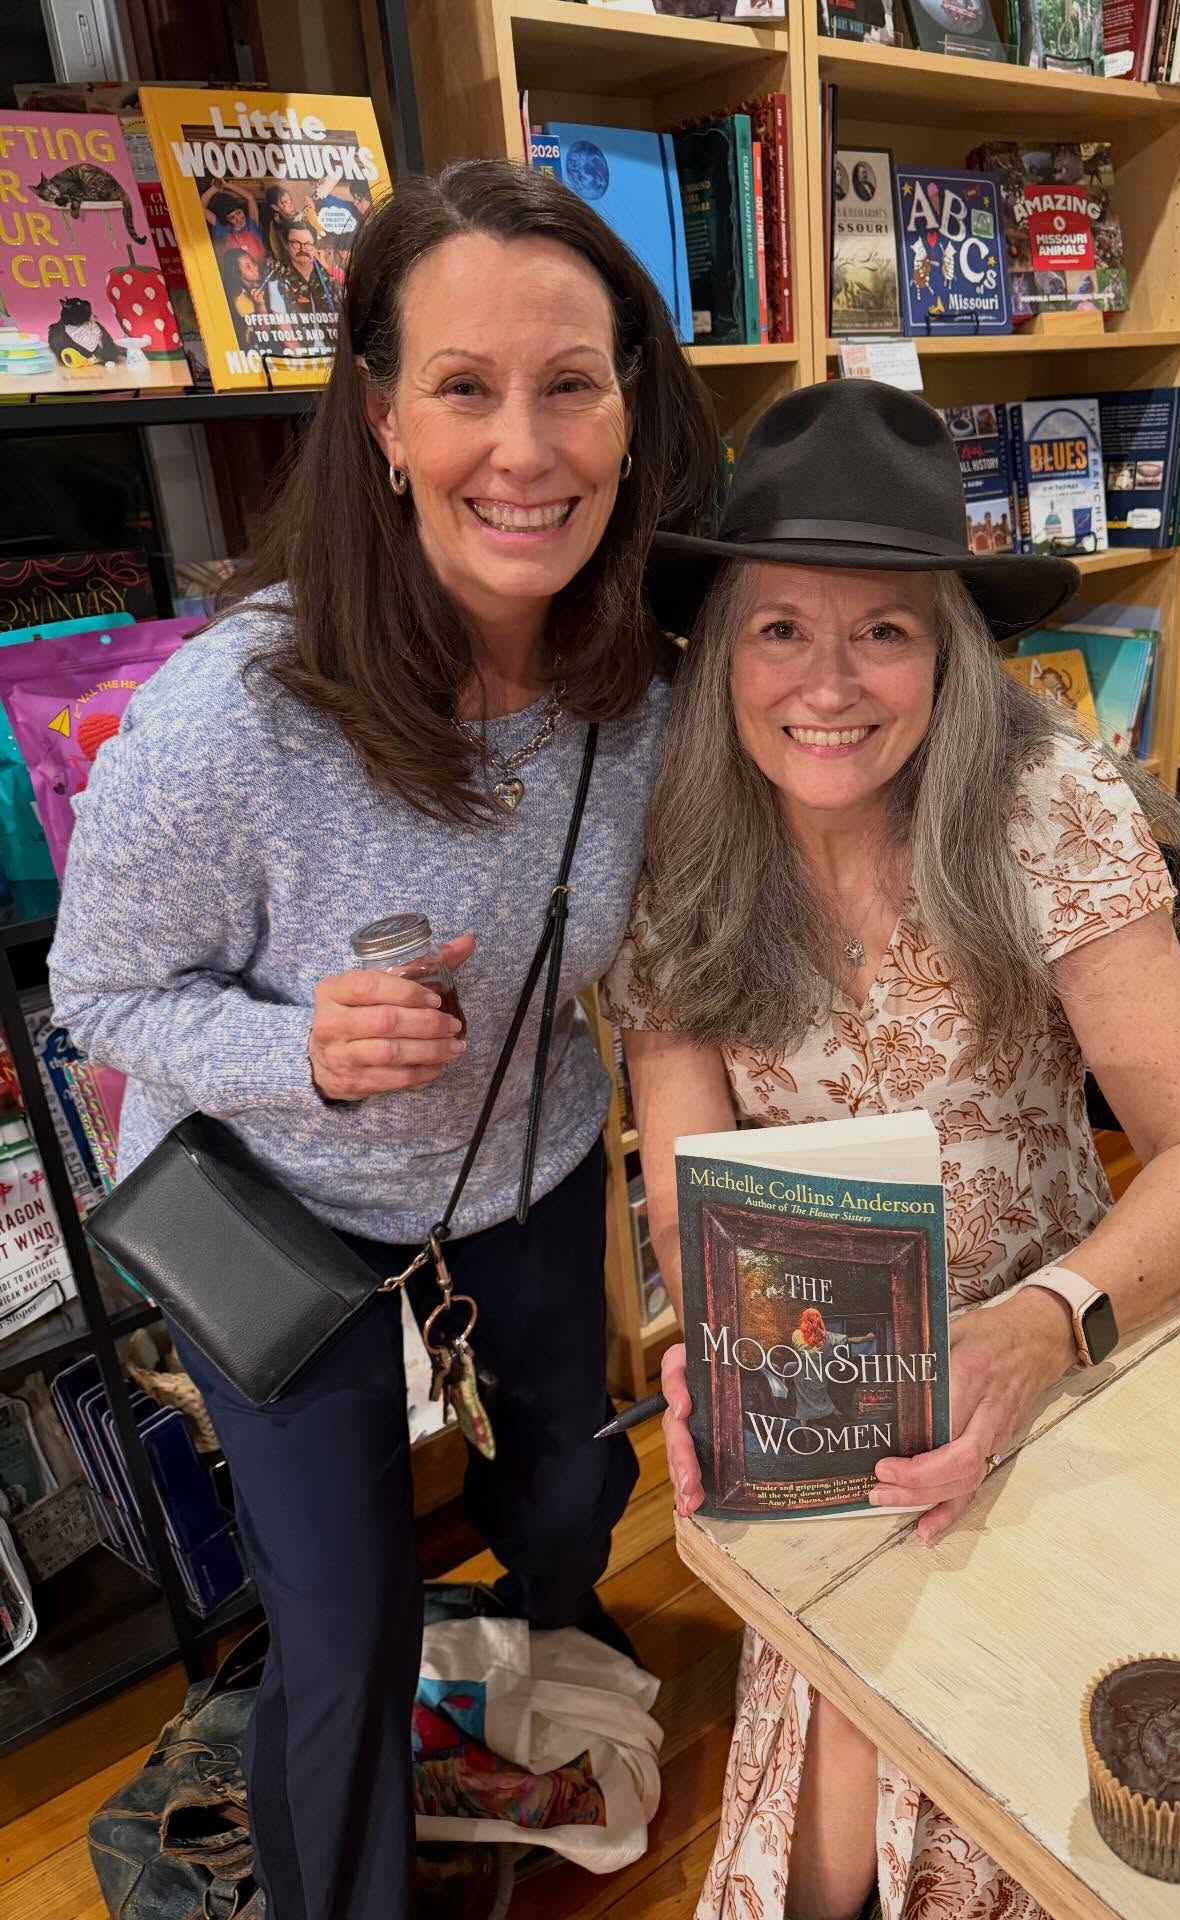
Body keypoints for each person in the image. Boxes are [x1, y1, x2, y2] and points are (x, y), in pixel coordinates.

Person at [49, 157, 715, 1920]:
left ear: (631, 408)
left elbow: (659, 943)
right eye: (466, 388)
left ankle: (539, 1673)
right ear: (380, 418)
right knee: (337, 1626)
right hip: (274, 1209)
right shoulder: (229, 720)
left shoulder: (645, 683)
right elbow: (96, 997)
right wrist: (302, 1051)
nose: (527, 447)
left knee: (567, 1504)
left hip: (523, 1163)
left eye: (571, 383)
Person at [603, 380, 1180, 1920]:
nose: (828, 682)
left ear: (948, 651)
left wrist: (1037, 1335)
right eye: (780, 628)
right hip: (822, 1393)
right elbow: (697, 1207)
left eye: (883, 631)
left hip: (1076, 1352)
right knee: (840, 1745)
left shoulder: (1045, 809)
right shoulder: (677, 855)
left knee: (1026, 1791)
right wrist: (718, 1365)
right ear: (719, 656)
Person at [261, 217, 342, 355]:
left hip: (337, 355)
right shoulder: (277, 279)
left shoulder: (328, 274)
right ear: (286, 245)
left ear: (315, 246)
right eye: (296, 243)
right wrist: (303, 360)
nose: (303, 249)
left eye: (308, 244)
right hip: (303, 357)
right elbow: (285, 330)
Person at [201, 180, 267, 268]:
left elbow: (250, 197)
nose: (238, 218)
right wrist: (214, 188)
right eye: (232, 217)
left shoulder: (251, 224)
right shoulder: (222, 229)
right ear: (226, 220)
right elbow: (201, 207)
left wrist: (226, 184)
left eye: (239, 213)